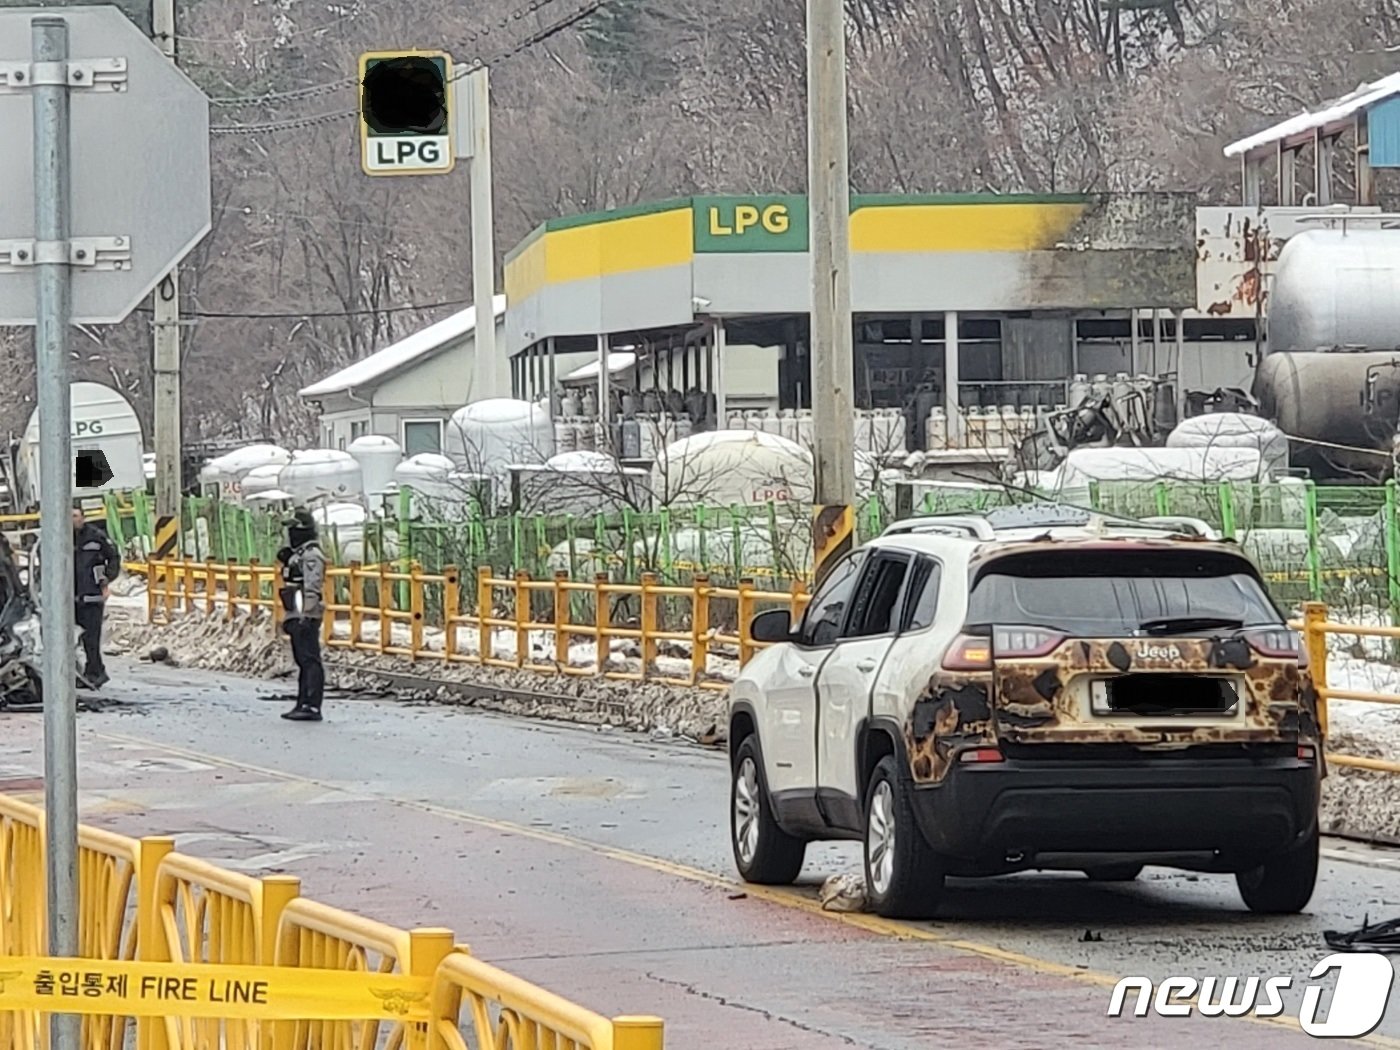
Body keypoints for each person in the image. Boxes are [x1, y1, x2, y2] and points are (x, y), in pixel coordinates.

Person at [277, 509, 326, 722]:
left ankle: (312, 705)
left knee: (309, 659)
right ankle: (302, 701)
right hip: (296, 611)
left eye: (294, 529)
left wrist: (306, 616)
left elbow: (312, 588)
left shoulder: (312, 555)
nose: (291, 534)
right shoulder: (300, 554)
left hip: (305, 614)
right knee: (302, 660)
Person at [72, 508, 121, 689]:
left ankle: (95, 672)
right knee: (68, 640)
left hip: (91, 597)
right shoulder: (58, 537)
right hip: (68, 599)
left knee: (91, 639)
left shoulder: (96, 537)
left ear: (83, 518)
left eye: (75, 516)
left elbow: (113, 557)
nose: (72, 520)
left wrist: (107, 578)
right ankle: (74, 672)